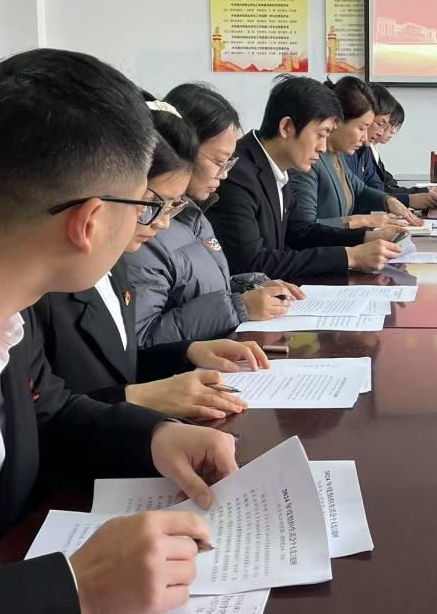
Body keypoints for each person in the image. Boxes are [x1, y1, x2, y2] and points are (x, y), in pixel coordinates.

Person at [0, 49, 235, 612]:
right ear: (90, 223)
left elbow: (48, 411)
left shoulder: (6, 315)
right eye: (146, 208)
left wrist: (154, 437)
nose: (151, 226)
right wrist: (74, 589)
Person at [31, 102, 267, 420]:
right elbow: (44, 411)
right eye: (153, 204)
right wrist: (136, 397)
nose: (163, 222)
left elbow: (122, 361)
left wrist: (186, 353)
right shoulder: (45, 288)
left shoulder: (115, 264)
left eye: (173, 206)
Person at [124, 83, 302, 346]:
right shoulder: (143, 230)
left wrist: (248, 287)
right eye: (219, 162)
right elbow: (142, 340)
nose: (225, 174)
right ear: (182, 149)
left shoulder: (193, 213)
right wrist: (239, 307)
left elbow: (195, 290)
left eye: (229, 162)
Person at [208, 75, 402, 278]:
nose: (323, 147)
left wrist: (365, 238)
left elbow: (300, 232)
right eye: (321, 134)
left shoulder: (276, 166)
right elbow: (252, 263)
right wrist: (349, 257)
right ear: (286, 127)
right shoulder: (237, 175)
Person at [288, 76, 424, 236]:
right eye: (361, 128)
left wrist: (388, 201)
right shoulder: (309, 160)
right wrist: (363, 221)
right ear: (337, 122)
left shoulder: (337, 156)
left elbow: (360, 189)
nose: (365, 137)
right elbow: (304, 228)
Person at [343, 83, 437, 202]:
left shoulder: (363, 151)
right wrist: (409, 199)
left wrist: (409, 199)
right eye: (381, 124)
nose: (383, 132)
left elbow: (375, 189)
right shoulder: (346, 153)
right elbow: (364, 195)